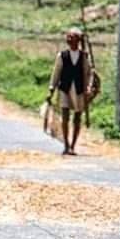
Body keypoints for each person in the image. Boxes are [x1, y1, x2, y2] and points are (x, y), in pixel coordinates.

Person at [47, 27, 92, 156]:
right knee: (65, 116)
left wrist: (88, 87)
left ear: (78, 41)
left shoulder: (84, 57)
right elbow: (56, 74)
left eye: (73, 38)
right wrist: (51, 89)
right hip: (64, 89)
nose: (71, 41)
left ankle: (73, 145)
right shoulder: (62, 56)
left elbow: (88, 74)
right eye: (69, 38)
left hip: (79, 90)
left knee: (77, 117)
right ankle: (66, 145)